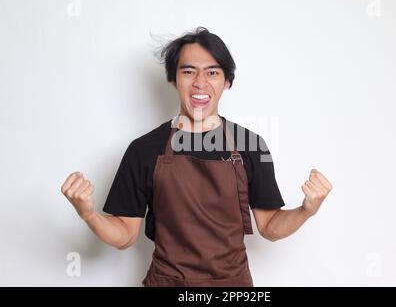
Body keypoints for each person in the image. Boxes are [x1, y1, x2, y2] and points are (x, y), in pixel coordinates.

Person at [60, 27, 333, 287]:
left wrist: (306, 210)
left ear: (227, 81)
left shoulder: (251, 146)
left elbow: (271, 226)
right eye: (188, 71)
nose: (200, 82)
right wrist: (89, 214)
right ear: (173, 79)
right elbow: (124, 236)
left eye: (212, 72)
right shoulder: (144, 149)